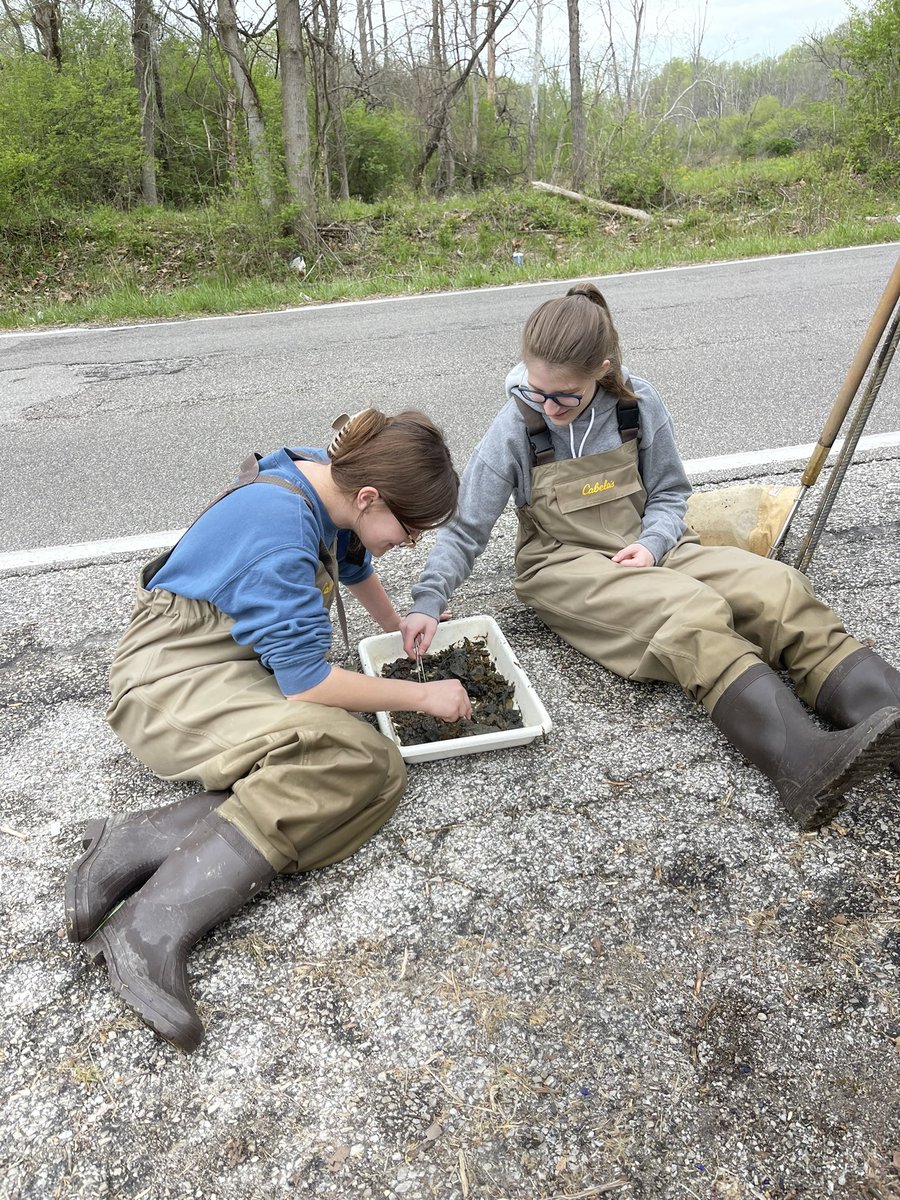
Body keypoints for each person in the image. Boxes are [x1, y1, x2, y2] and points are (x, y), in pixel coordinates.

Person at [401, 284, 900, 832]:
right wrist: (428, 599)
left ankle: (885, 715)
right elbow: (465, 528)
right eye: (535, 390)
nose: (547, 406)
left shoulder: (639, 405)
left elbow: (669, 493)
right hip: (563, 565)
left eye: (563, 396)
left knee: (778, 589)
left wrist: (655, 542)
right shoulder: (515, 427)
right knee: (690, 613)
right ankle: (803, 764)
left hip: (652, 545)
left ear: (602, 369)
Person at [66, 408, 470, 1053]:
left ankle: (135, 844)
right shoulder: (279, 533)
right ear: (368, 496)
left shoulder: (325, 478)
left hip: (226, 665)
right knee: (355, 757)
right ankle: (148, 927)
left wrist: (397, 626)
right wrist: (424, 694)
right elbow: (307, 682)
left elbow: (353, 558)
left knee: (371, 767)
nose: (412, 541)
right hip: (167, 685)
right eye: (409, 527)